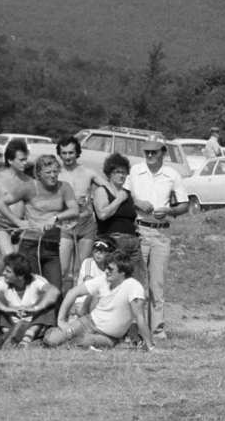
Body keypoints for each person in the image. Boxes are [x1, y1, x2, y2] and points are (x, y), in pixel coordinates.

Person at [126, 139, 188, 342]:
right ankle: (133, 328)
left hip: (161, 233)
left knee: (157, 283)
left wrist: (170, 210)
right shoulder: (135, 171)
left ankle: (157, 329)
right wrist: (136, 203)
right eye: (147, 153)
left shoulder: (172, 175)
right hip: (139, 230)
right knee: (136, 282)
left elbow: (184, 205)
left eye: (154, 152)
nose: (150, 156)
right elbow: (122, 197)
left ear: (163, 153)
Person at [0, 152, 76, 304]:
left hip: (52, 247)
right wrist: (18, 222)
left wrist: (55, 218)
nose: (53, 175)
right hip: (30, 246)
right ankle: (30, 324)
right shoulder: (29, 187)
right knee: (33, 290)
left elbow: (74, 210)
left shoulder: (64, 187)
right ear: (39, 174)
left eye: (55, 172)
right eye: (48, 172)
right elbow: (0, 203)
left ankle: (52, 326)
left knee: (56, 292)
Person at [45, 253, 155, 349]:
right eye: (106, 268)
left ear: (122, 272)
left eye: (110, 269)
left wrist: (150, 347)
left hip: (108, 337)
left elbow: (140, 318)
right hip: (88, 322)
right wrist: (61, 321)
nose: (106, 271)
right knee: (52, 339)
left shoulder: (133, 287)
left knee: (84, 341)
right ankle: (50, 339)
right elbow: (72, 293)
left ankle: (68, 344)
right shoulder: (102, 280)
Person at [0, 250, 59, 346]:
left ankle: (28, 337)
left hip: (32, 323)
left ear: (20, 276)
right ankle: (7, 336)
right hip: (10, 324)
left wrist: (34, 309)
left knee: (49, 302)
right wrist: (6, 309)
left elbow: (54, 292)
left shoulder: (36, 280)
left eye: (8, 271)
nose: (3, 273)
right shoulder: (2, 281)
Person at [56, 135, 108, 294]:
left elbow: (108, 187)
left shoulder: (88, 172)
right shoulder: (56, 174)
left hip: (86, 224)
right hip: (65, 225)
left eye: (71, 153)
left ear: (77, 152)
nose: (67, 157)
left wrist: (92, 197)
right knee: (63, 270)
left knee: (81, 270)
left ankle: (76, 307)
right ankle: (60, 307)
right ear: (60, 154)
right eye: (64, 153)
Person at [0, 139, 32, 279]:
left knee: (13, 264)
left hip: (21, 227)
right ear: (10, 160)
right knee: (10, 257)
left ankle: (3, 292)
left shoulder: (29, 180)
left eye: (25, 159)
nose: (25, 163)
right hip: (0, 224)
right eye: (21, 160)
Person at [93, 154, 139, 269]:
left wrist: (138, 230)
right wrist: (118, 199)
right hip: (113, 241)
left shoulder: (128, 193)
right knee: (116, 275)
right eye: (117, 172)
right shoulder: (102, 191)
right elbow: (102, 214)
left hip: (133, 242)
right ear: (109, 173)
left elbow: (131, 216)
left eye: (123, 172)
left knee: (137, 280)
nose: (121, 175)